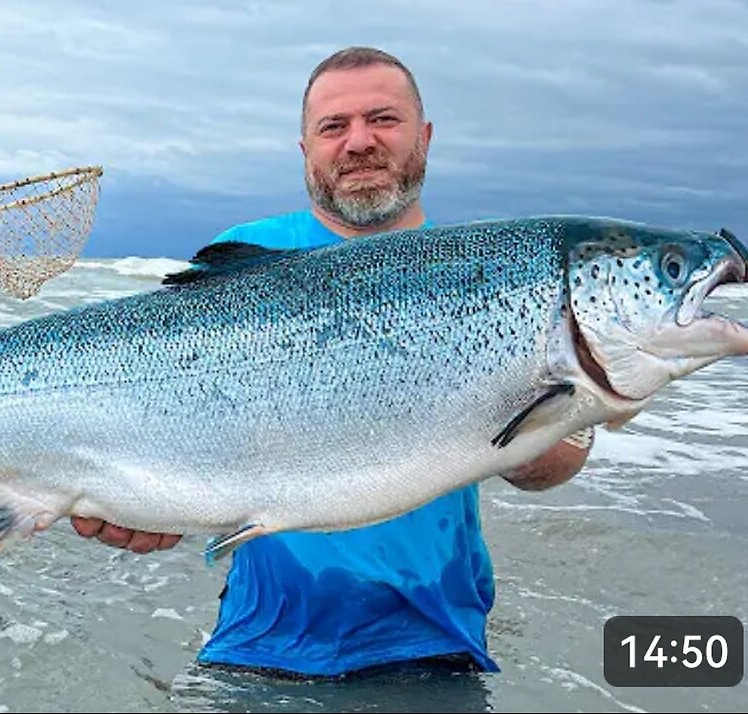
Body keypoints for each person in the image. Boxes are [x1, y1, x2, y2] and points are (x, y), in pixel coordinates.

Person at [70, 47, 596, 678]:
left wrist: (573, 398)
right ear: (306, 150)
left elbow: (544, 472)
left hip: (433, 643)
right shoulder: (247, 256)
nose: (359, 143)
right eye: (334, 127)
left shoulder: (490, 276)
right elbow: (179, 420)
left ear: (423, 136)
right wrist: (135, 498)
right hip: (258, 644)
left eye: (383, 120)